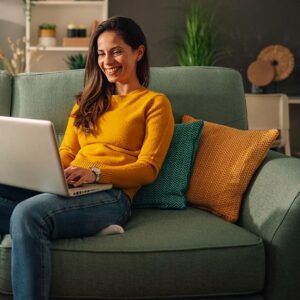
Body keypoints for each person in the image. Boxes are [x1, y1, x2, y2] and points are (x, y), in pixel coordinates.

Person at [0, 16, 174, 300]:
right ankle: (82, 226)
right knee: (24, 213)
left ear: (138, 52)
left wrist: (95, 173)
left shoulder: (154, 103)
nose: (107, 61)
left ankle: (75, 223)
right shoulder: (86, 102)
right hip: (71, 184)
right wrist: (44, 171)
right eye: (102, 53)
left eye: (117, 51)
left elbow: (148, 169)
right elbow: (67, 152)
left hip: (112, 195)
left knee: (27, 214)